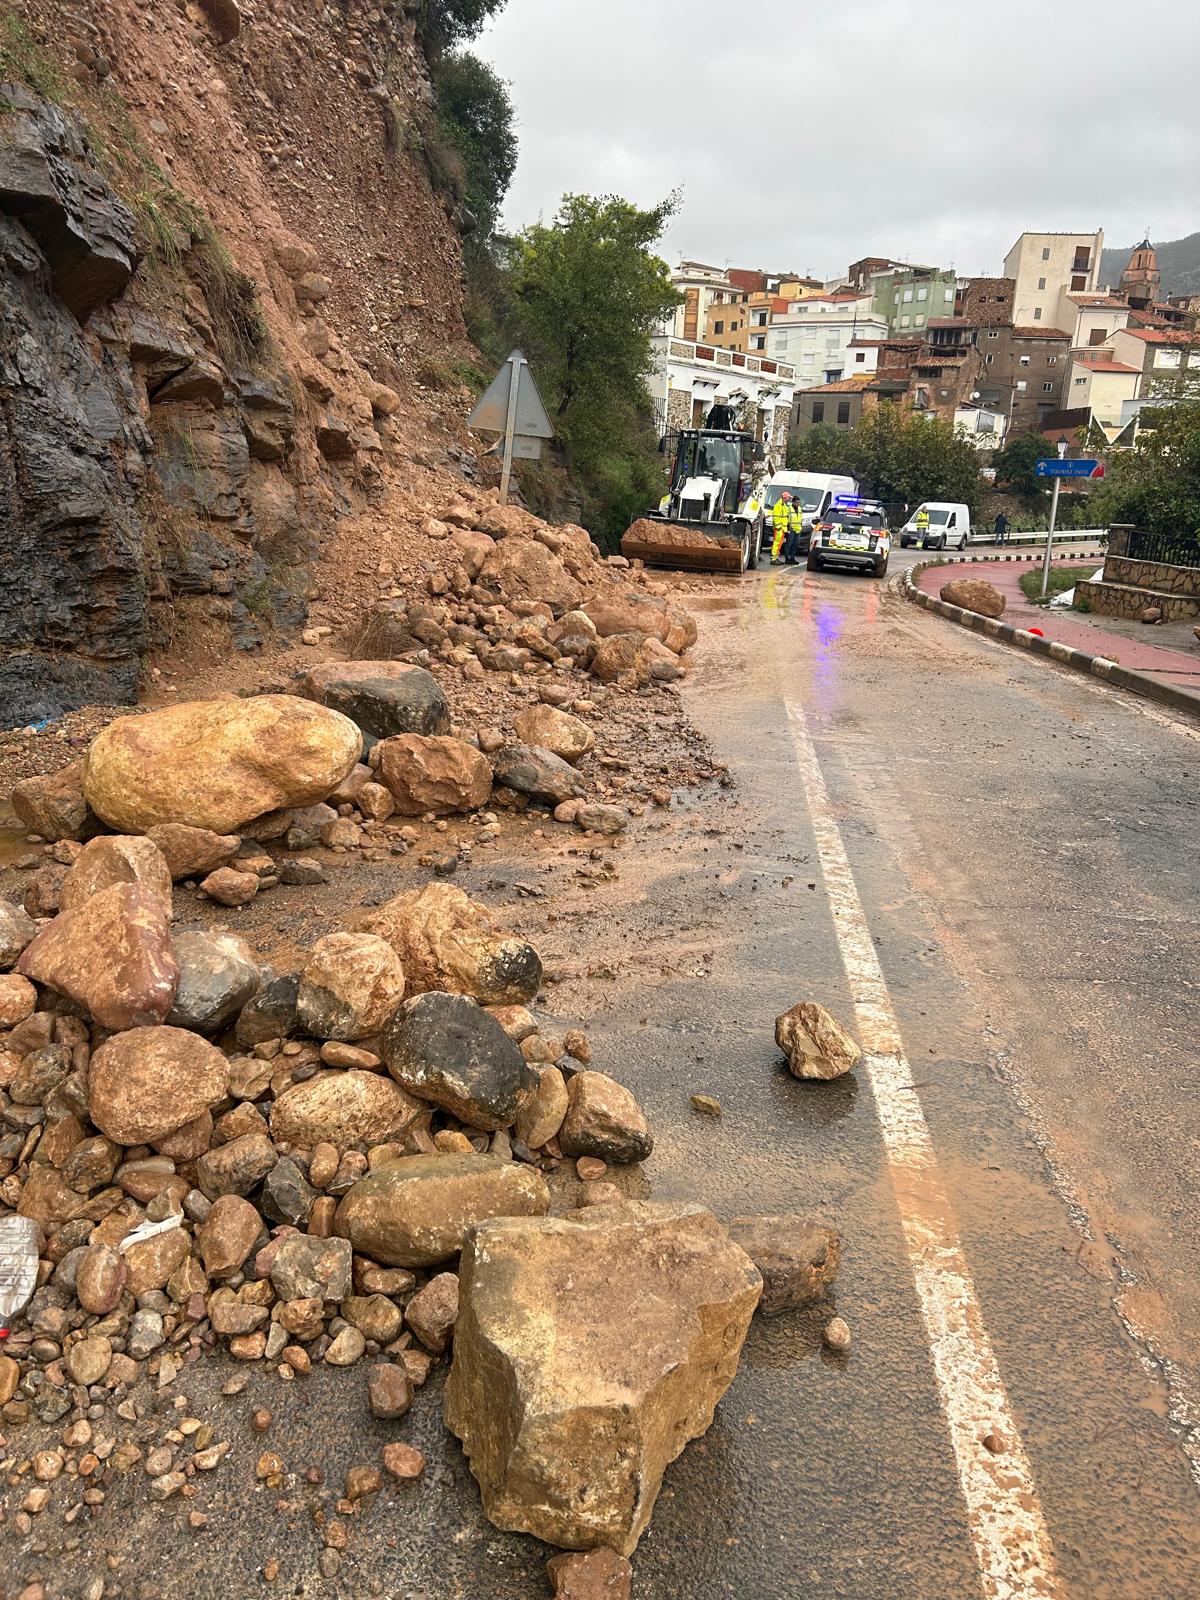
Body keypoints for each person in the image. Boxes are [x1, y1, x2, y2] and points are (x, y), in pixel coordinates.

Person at [771, 492, 792, 563]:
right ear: (785, 497)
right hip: (780, 528)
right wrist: (778, 527)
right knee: (776, 543)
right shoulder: (778, 505)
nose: (789, 499)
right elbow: (776, 517)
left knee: (779, 543)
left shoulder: (784, 506)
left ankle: (775, 557)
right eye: (788, 498)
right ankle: (774, 559)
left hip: (782, 528)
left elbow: (786, 517)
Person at [784, 494, 805, 563]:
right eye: (797, 502)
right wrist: (787, 529)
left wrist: (801, 526)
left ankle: (792, 558)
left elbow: (800, 518)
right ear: (793, 502)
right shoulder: (789, 509)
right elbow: (786, 519)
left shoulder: (799, 509)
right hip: (791, 529)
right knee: (789, 544)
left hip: (798, 529)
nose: (798, 504)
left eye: (799, 502)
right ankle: (787, 558)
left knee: (796, 544)